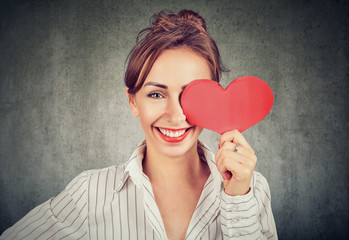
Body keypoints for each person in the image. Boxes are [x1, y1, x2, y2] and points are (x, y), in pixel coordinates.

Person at [0, 9, 278, 240]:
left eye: (191, 94)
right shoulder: (89, 194)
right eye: (156, 94)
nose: (176, 114)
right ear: (133, 101)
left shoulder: (252, 188)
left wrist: (238, 199)